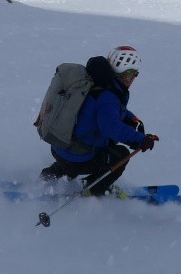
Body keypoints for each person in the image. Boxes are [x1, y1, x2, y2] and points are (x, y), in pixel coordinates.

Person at [40, 45, 158, 195]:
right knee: (121, 154)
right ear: (123, 73)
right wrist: (140, 139)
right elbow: (110, 126)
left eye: (135, 74)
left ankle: (51, 174)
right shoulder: (109, 96)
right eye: (131, 73)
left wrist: (131, 119)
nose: (133, 78)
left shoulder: (95, 82)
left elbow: (106, 111)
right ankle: (93, 188)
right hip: (79, 157)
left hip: (59, 146)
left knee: (90, 144)